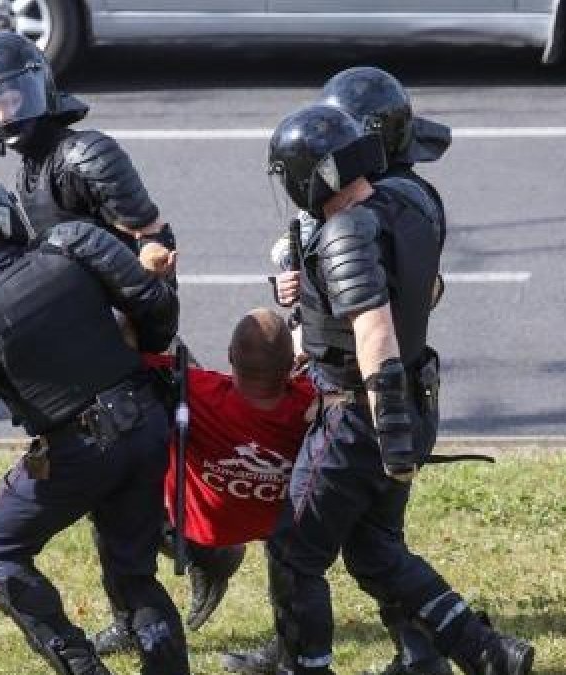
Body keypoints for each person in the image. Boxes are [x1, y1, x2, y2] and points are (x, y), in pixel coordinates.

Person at [260, 102, 534, 675]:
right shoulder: (406, 204)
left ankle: (303, 667)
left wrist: (390, 437)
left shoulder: (345, 233)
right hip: (413, 397)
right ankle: (487, 653)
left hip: (359, 417)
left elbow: (374, 332)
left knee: (293, 554)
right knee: (374, 549)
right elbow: (425, 291)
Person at [0, 172, 188, 675]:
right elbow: (156, 312)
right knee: (134, 576)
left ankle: (83, 667)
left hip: (79, 452)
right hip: (148, 425)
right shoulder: (74, 244)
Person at [233, 66, 453, 675]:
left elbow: (412, 298)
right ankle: (419, 654)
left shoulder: (385, 204)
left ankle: (322, 657)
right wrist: (306, 289)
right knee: (373, 542)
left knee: (321, 544)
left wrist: (387, 422)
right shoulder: (392, 197)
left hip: (367, 396)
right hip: (389, 386)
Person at [91, 308, 318, 654]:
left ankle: (133, 617)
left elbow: (127, 355)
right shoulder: (314, 403)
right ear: (293, 363)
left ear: (230, 356)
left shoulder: (197, 391)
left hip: (206, 524)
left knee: (108, 502)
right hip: (283, 523)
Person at [0, 32, 176, 276]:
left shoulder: (88, 155)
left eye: (12, 101)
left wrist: (150, 257)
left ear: (35, 92)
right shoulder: (27, 175)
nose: (3, 117)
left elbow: (152, 234)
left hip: (120, 293)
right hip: (71, 293)